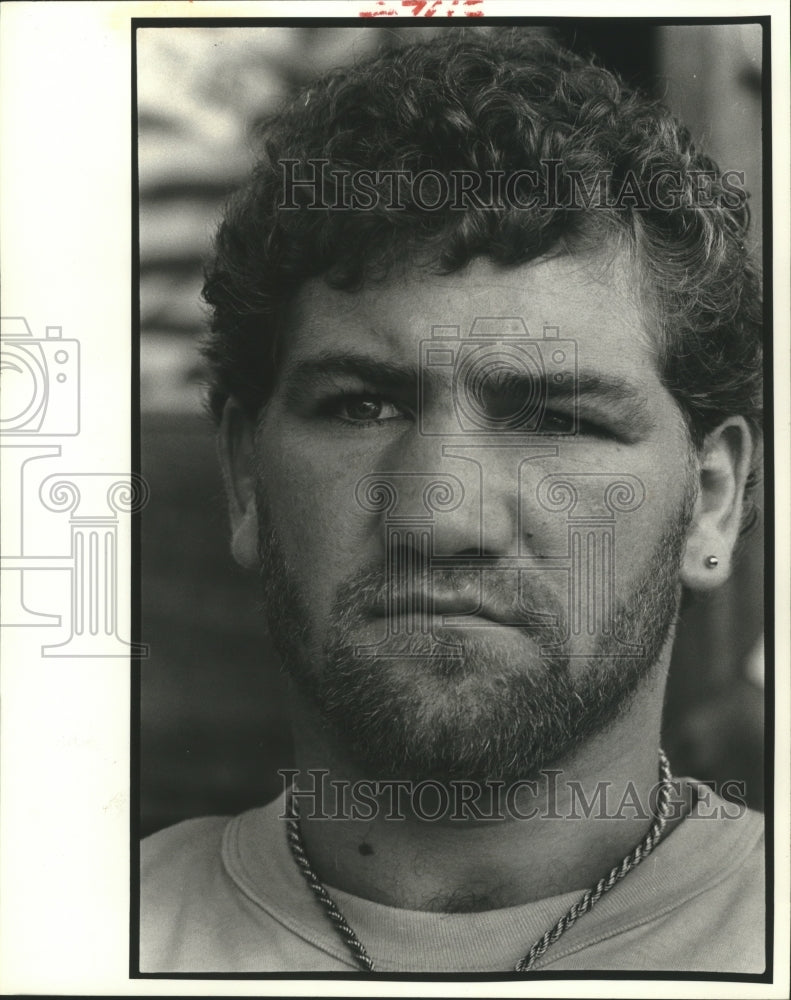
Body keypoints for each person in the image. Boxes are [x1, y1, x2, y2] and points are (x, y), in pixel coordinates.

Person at [140, 28, 764, 974]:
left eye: (555, 419)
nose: (441, 517)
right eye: (359, 405)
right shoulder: (63, 935)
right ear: (243, 480)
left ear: (710, 500)